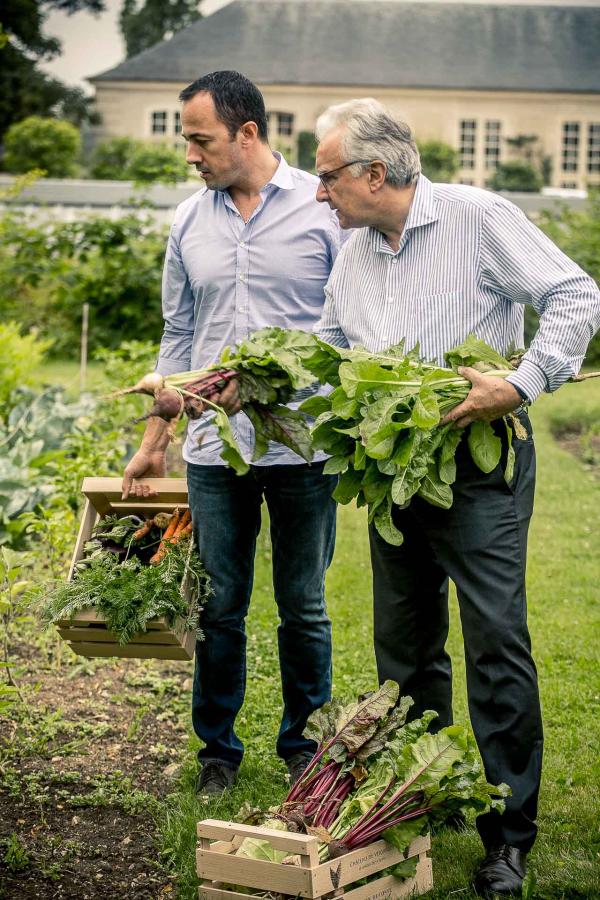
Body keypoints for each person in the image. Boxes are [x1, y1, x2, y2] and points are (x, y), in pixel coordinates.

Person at [313, 98, 600, 897]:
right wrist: (260, 383)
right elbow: (334, 346)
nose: (318, 192)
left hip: (479, 466)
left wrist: (520, 383)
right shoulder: (357, 253)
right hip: (396, 471)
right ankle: (424, 798)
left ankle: (508, 836)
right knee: (403, 649)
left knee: (495, 640)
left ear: (375, 173)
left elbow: (577, 295)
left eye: (328, 175)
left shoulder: (476, 217)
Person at [121, 71, 343, 798]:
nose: (190, 153)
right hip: (215, 451)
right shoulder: (189, 221)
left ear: (246, 132)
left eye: (199, 138)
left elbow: (349, 329)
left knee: (302, 604)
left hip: (303, 444)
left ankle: (304, 746)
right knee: (220, 605)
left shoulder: (323, 210)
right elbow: (178, 334)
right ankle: (218, 750)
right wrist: (155, 442)